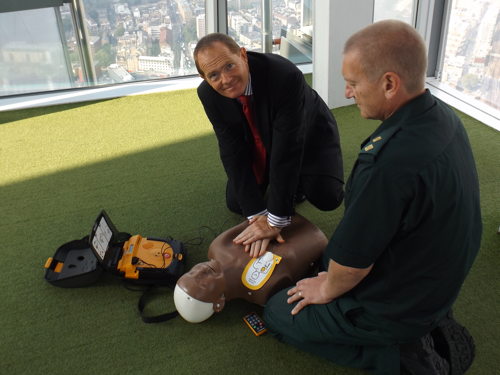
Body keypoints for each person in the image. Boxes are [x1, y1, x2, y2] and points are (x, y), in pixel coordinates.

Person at [263, 20, 482, 375]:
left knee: (277, 312)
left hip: (397, 305)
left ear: (390, 83)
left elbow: (352, 265)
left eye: (352, 84)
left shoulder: (385, 163)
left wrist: (328, 287)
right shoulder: (444, 119)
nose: (348, 94)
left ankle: (402, 359)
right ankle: (425, 325)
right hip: (437, 283)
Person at [194, 33, 344, 257]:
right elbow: (230, 149)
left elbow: (288, 147)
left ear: (243, 55)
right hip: (258, 141)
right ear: (204, 77)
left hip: (306, 134)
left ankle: (297, 187)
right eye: (214, 75)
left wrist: (274, 220)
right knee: (238, 203)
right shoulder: (208, 95)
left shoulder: (284, 75)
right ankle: (283, 188)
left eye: (229, 66)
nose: (225, 79)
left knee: (327, 197)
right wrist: (256, 215)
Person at [173, 214, 327, 323]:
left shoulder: (217, 246)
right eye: (202, 283)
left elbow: (254, 221)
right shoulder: (261, 293)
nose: (200, 271)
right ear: (218, 303)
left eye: (191, 273)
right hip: (315, 238)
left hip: (285, 215)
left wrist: (272, 220)